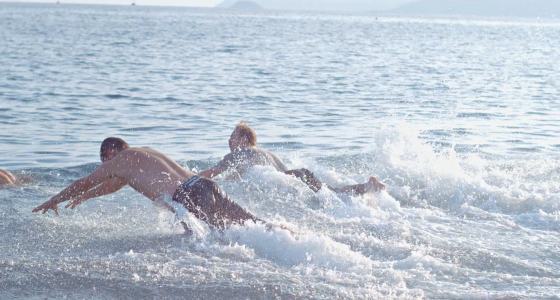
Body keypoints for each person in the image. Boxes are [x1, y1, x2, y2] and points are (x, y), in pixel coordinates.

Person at [32, 137, 264, 231]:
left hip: (188, 197)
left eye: (105, 165)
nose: (107, 171)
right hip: (205, 185)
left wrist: (54, 199)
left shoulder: (120, 160)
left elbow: (85, 181)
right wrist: (88, 196)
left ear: (111, 153)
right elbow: (115, 185)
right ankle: (292, 238)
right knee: (254, 224)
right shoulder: (144, 153)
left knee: (220, 242)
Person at [199, 122, 385, 194]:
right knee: (333, 192)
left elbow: (210, 173)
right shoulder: (263, 154)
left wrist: (184, 179)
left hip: (293, 178)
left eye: (233, 135)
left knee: (333, 194)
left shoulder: (241, 153)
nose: (229, 140)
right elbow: (234, 178)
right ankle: (369, 186)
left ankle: (368, 187)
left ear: (244, 139)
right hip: (298, 174)